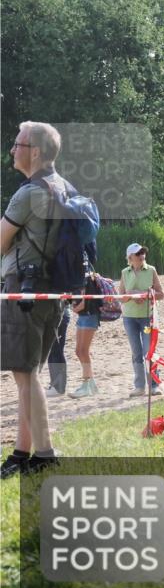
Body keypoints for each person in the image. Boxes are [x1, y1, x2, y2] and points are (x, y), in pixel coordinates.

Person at [0, 121, 68, 477]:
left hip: (23, 289)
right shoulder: (63, 188)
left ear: (36, 151)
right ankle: (21, 453)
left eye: (18, 144)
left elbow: (0, 241)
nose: (13, 150)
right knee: (29, 374)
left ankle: (44, 454)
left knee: (25, 374)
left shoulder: (28, 193)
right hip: (50, 293)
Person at [119, 242, 164, 397]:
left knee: (149, 351)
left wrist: (146, 295)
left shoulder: (151, 270)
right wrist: (131, 295)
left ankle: (154, 385)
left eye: (143, 253)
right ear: (130, 258)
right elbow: (121, 298)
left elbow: (161, 294)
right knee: (136, 352)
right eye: (138, 254)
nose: (142, 256)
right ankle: (139, 387)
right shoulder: (125, 272)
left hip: (147, 317)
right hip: (129, 318)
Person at [66, 272, 103, 398]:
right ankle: (91, 384)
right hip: (83, 316)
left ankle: (86, 385)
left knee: (83, 351)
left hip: (89, 316)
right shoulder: (78, 279)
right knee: (78, 351)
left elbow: (82, 304)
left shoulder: (86, 279)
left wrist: (70, 308)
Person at [44, 306, 71, 397]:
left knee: (56, 352)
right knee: (54, 352)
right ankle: (55, 385)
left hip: (58, 315)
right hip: (56, 314)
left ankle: (58, 388)